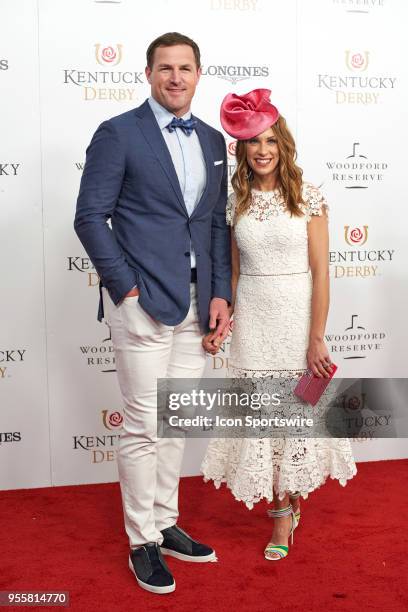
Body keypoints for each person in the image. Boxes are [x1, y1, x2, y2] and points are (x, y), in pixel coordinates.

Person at [74, 32, 231, 594]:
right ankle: (141, 538)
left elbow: (215, 223)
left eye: (185, 68)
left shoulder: (213, 138)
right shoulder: (118, 133)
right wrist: (125, 290)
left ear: (198, 73)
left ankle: (165, 523)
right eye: (165, 68)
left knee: (176, 421)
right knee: (142, 426)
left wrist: (220, 294)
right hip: (141, 301)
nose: (175, 77)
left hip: (197, 300)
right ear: (147, 73)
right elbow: (90, 216)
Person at [201, 88, 357, 561]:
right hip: (253, 321)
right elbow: (231, 271)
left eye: (270, 141)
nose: (263, 150)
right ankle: (280, 507)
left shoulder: (308, 198)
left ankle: (286, 515)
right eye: (253, 142)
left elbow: (321, 271)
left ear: (282, 144)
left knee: (295, 413)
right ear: (242, 150)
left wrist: (316, 336)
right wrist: (223, 318)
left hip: (295, 318)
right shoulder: (236, 201)